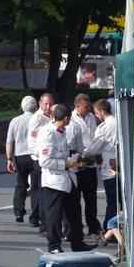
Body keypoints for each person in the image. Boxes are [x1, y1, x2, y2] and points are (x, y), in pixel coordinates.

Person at [38, 104, 91, 253]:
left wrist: (73, 160)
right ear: (66, 118)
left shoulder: (62, 131)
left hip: (67, 178)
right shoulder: (48, 133)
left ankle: (77, 241)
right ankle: (54, 245)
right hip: (54, 180)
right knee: (54, 214)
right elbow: (45, 161)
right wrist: (65, 163)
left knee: (74, 210)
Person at [85, 98, 119, 235]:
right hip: (121, 165)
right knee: (118, 200)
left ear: (102, 111)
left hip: (110, 167)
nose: (96, 116)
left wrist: (83, 153)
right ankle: (109, 227)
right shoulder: (119, 121)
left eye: (97, 113)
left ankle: (110, 229)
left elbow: (94, 148)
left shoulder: (104, 127)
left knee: (112, 201)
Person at [70, 93, 101, 235]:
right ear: (77, 106)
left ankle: (93, 225)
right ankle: (76, 226)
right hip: (78, 160)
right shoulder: (71, 119)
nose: (88, 108)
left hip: (91, 160)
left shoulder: (91, 117)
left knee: (91, 198)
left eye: (89, 105)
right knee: (75, 198)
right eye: (85, 106)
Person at [6, 95, 38, 223]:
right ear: (35, 106)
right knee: (36, 186)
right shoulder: (37, 120)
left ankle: (19, 212)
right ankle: (35, 216)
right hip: (34, 155)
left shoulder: (15, 121)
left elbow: (9, 142)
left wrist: (9, 158)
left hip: (20, 155)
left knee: (21, 183)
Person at [27, 93, 55, 231]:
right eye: (45, 104)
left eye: (50, 104)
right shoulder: (37, 118)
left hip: (49, 158)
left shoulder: (52, 116)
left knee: (44, 191)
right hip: (39, 159)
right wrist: (42, 154)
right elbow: (32, 142)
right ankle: (38, 218)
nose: (48, 107)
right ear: (40, 103)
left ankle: (41, 218)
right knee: (40, 191)